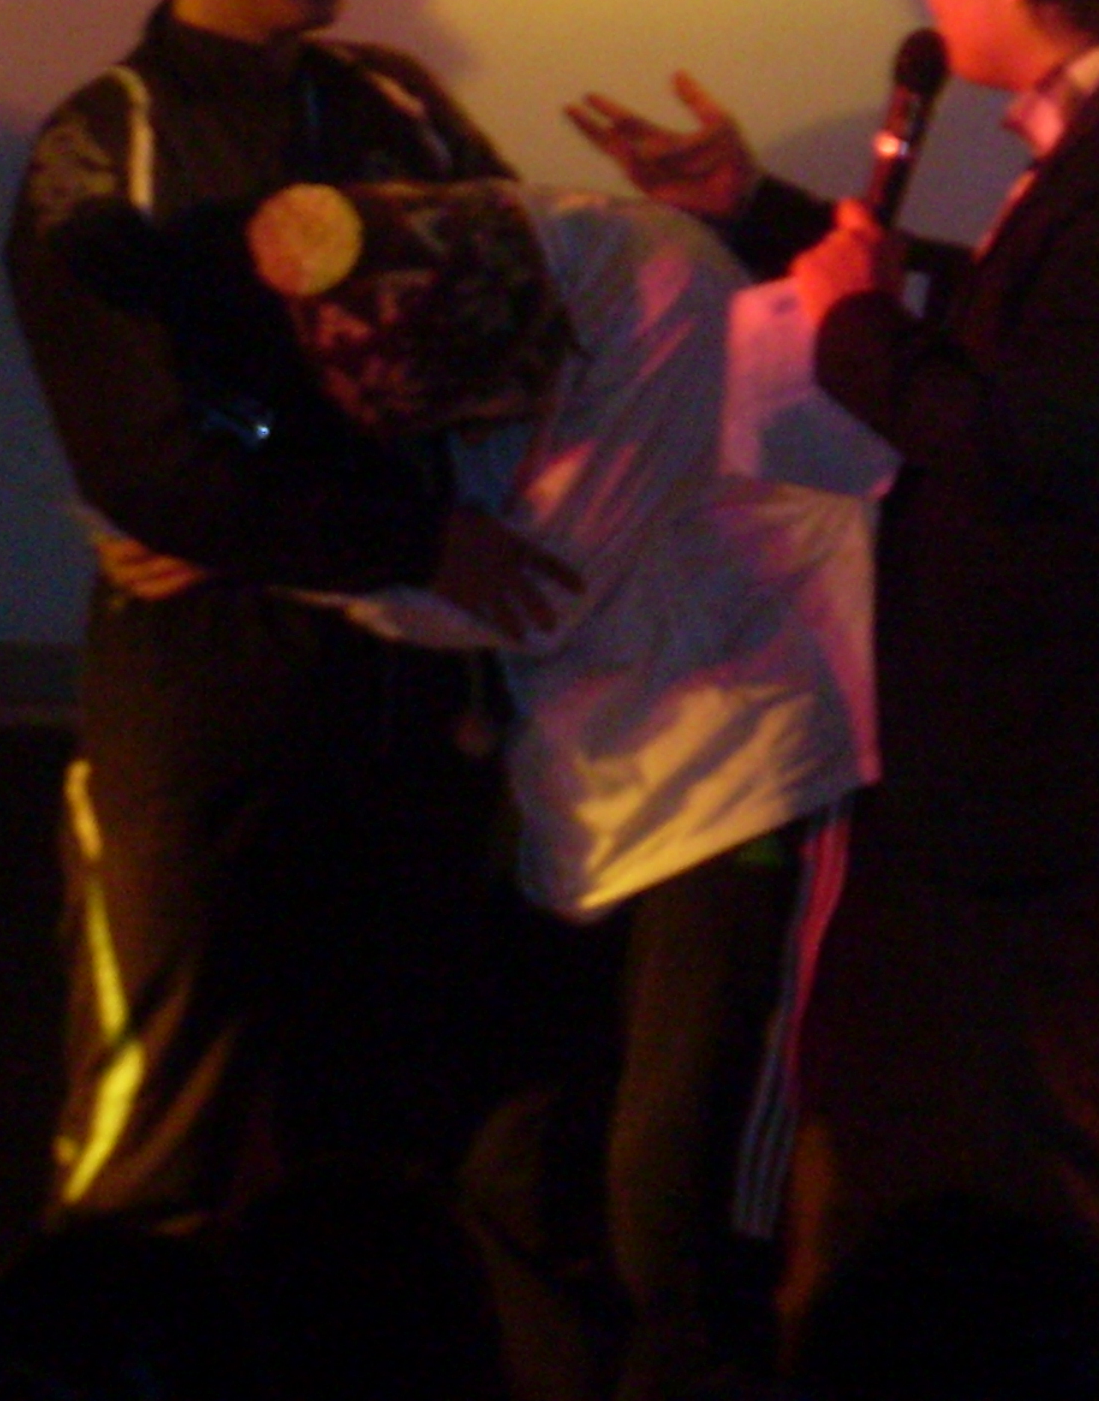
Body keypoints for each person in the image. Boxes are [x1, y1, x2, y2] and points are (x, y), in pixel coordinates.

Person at [570, 0, 1099, 1400]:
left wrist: (850, 329)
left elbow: (1014, 430)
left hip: (1075, 802)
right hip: (996, 794)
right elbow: (1011, 335)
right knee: (893, 1174)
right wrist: (757, 212)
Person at [4, 0, 562, 1233]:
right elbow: (145, 467)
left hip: (406, 704)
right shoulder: (106, 145)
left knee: (390, 1149)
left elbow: (528, 332)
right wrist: (403, 534)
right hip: (203, 706)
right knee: (149, 1142)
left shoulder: (399, 109)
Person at [246, 175, 877, 1401]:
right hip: (588, 798)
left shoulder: (657, 284)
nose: (499, 422)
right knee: (514, 1172)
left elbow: (538, 586)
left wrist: (275, 553)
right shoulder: (459, 290)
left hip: (741, 776)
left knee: (673, 1203)